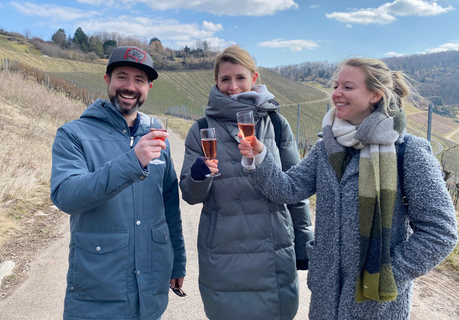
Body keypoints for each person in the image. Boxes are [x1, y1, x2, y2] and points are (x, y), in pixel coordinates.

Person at [238, 57, 458, 320]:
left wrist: (387, 274)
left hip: (376, 307)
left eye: (348, 87)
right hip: (325, 300)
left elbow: (440, 233)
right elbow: (288, 189)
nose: (336, 93)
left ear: (375, 95)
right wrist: (259, 156)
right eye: (335, 85)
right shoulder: (327, 147)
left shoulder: (408, 152)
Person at [50, 46, 186, 320]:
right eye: (122, 77)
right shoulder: (73, 134)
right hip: (98, 292)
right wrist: (131, 162)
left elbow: (169, 203)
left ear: (148, 87)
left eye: (139, 80)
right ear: (107, 80)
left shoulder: (157, 135)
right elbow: (66, 195)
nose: (130, 87)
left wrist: (178, 263)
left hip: (150, 289)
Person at [179, 45, 314, 320]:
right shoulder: (201, 128)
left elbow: (295, 188)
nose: (233, 86)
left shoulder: (276, 124)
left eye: (240, 77)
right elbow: (190, 195)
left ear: (254, 79)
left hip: (273, 246)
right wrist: (199, 175)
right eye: (225, 79)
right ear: (216, 82)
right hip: (223, 251)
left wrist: (304, 244)